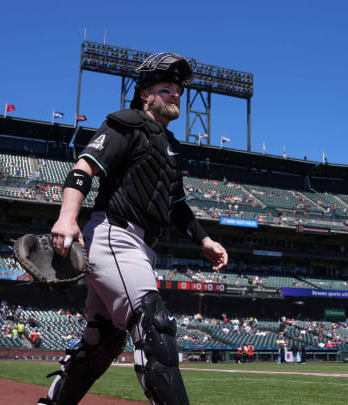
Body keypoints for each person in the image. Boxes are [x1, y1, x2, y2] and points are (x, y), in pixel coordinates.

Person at [39, 52, 228, 405]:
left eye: (178, 90)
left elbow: (176, 206)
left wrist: (204, 240)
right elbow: (84, 167)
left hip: (137, 247)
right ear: (146, 94)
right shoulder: (128, 123)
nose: (176, 95)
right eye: (166, 88)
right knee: (154, 322)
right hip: (114, 236)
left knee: (103, 342)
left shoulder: (170, 147)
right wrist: (67, 217)